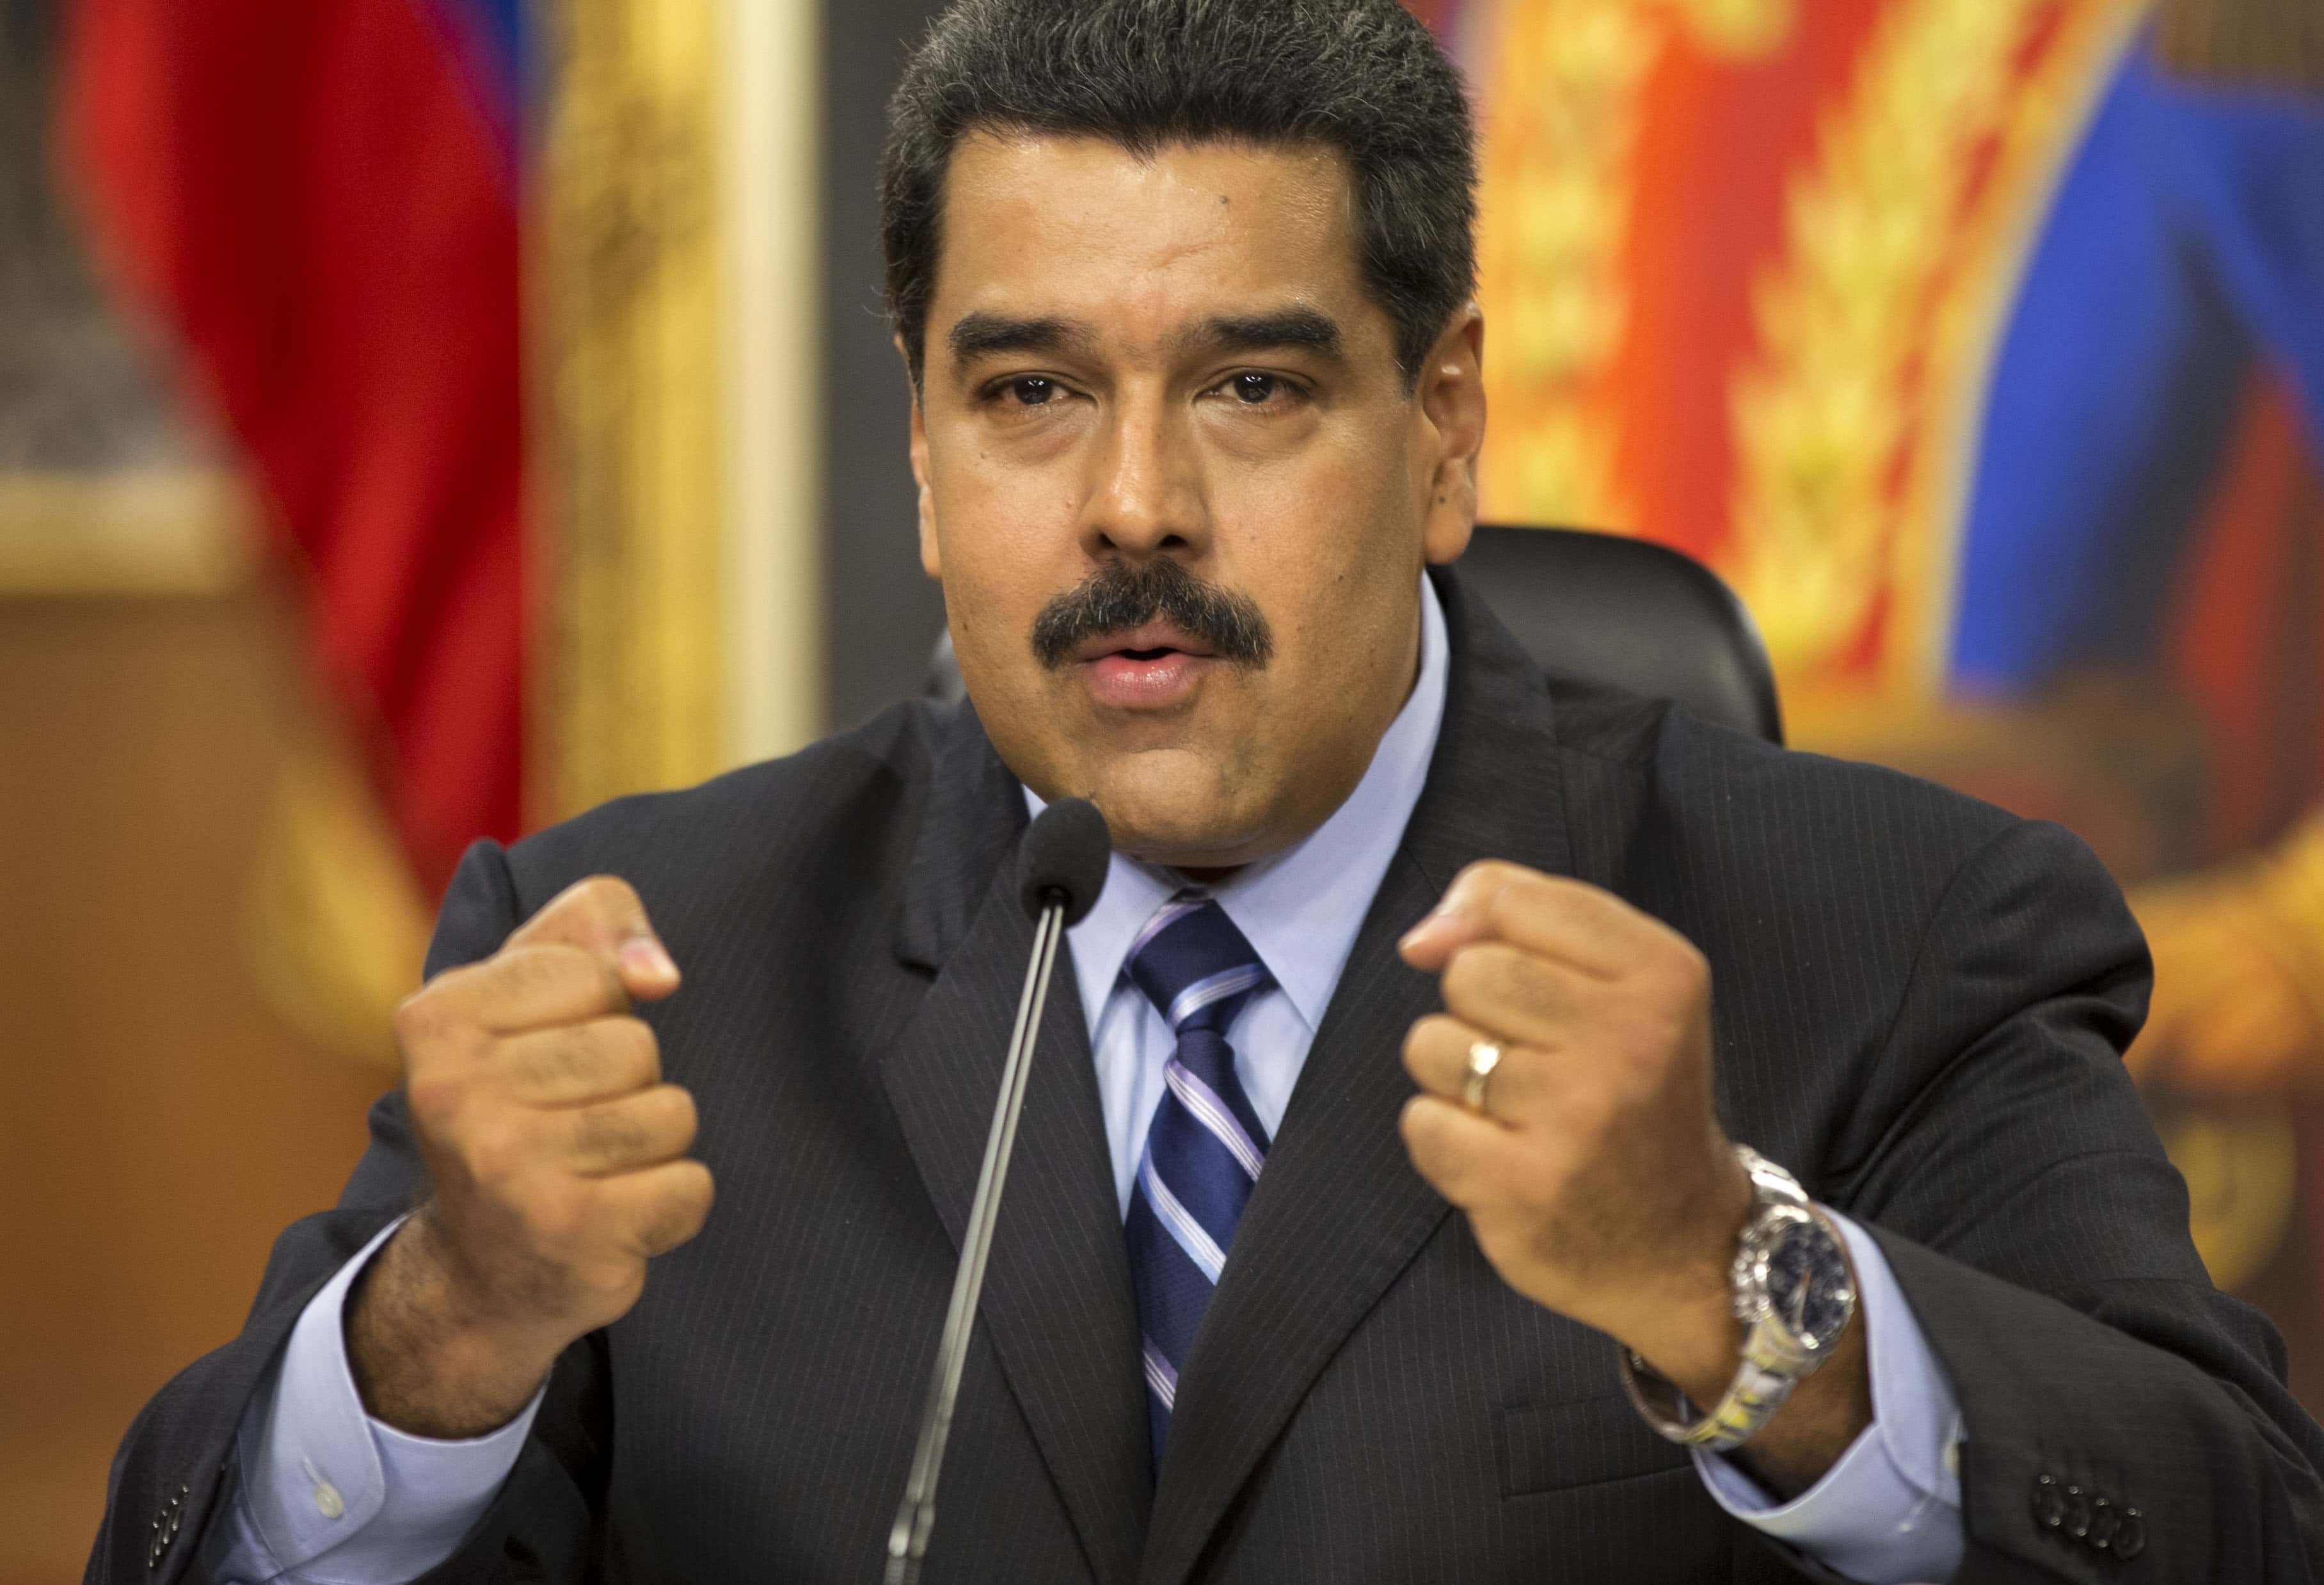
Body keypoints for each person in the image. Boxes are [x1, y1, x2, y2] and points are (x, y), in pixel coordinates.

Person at [90, 1, 2324, 1579]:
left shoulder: (1887, 931)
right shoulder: (635, 955)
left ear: (1444, 426)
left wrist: (1731, 1281)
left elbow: (2234, 1522)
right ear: (925, 445)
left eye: (1253, 389)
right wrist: (440, 1331)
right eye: (1034, 392)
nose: (1132, 507)